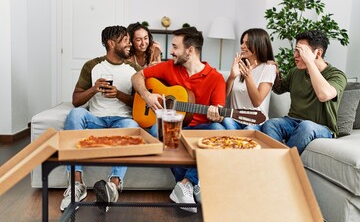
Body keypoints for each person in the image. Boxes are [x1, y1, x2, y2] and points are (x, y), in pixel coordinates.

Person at [131, 26, 226, 212]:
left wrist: (218, 114)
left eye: (175, 47)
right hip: (172, 128)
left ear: (190, 50)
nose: (171, 51)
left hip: (197, 131)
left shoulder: (215, 78)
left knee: (218, 130)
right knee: (157, 130)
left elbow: (220, 112)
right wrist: (147, 96)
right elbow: (137, 76)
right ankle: (190, 186)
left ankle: (186, 183)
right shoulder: (170, 67)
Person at [60, 25, 141, 212]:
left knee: (131, 125)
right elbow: (75, 101)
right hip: (96, 119)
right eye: (126, 41)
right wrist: (94, 89)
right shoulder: (92, 66)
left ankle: (112, 186)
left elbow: (139, 103)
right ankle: (76, 185)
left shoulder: (133, 69)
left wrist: (119, 94)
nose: (130, 44)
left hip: (122, 120)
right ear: (112, 44)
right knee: (75, 114)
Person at [261, 30, 347, 154]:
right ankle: (278, 159)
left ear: (317, 53)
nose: (295, 55)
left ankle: (282, 163)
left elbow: (324, 95)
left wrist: (309, 62)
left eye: (301, 52)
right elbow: (279, 89)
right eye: (296, 50)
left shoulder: (337, 75)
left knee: (306, 126)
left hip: (321, 127)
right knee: (271, 124)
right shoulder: (296, 72)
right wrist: (275, 73)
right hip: (292, 121)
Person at [222, 28, 276, 130]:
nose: (242, 46)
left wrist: (248, 76)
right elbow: (222, 98)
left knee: (249, 130)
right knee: (226, 120)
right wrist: (231, 77)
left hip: (256, 122)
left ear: (259, 45)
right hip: (234, 120)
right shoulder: (238, 66)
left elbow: (257, 102)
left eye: (247, 43)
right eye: (242, 42)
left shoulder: (269, 68)